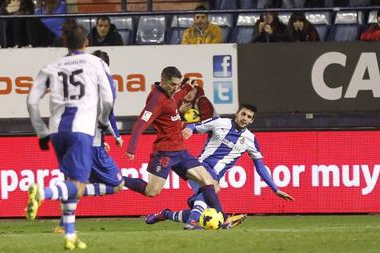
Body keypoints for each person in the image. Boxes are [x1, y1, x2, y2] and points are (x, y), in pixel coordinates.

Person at [26, 23, 113, 250]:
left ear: (64, 42)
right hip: (81, 130)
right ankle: (43, 193)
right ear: (87, 43)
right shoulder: (96, 63)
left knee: (70, 181)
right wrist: (103, 121)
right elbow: (108, 97)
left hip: (56, 131)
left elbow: (32, 101)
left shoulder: (51, 66)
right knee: (79, 186)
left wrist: (41, 132)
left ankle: (70, 233)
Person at [123, 67, 242, 230]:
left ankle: (224, 218)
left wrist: (186, 87)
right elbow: (141, 123)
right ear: (163, 81)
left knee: (209, 182)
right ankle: (117, 179)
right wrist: (131, 147)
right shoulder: (156, 99)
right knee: (152, 191)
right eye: (173, 85)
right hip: (165, 153)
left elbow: (176, 97)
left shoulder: (170, 94)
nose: (176, 88)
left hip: (181, 152)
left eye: (178, 85)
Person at [145, 104, 294, 227]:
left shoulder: (250, 139)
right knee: (211, 188)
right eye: (243, 114)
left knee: (208, 213)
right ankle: (193, 222)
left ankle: (166, 214)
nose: (245, 118)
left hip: (214, 176)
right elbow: (195, 125)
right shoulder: (219, 122)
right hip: (199, 168)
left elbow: (260, 166)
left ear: (251, 121)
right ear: (237, 114)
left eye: (249, 117)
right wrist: (190, 128)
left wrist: (275, 189)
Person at [53, 49, 125, 234]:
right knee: (117, 185)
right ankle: (53, 193)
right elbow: (106, 114)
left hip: (72, 140)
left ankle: (63, 226)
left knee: (74, 183)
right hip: (92, 147)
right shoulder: (103, 85)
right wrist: (114, 135)